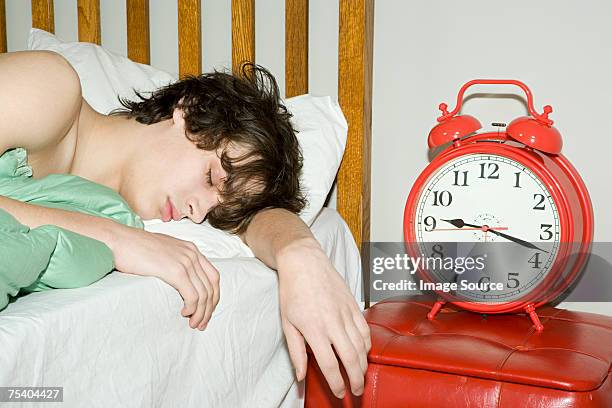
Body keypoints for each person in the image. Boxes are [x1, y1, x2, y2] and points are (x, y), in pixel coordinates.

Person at [0, 50, 370, 399]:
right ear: (188, 113)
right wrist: (117, 240)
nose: (196, 212)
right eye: (211, 178)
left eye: (213, 212)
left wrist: (300, 253)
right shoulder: (51, 89)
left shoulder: (120, 207)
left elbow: (259, 224)